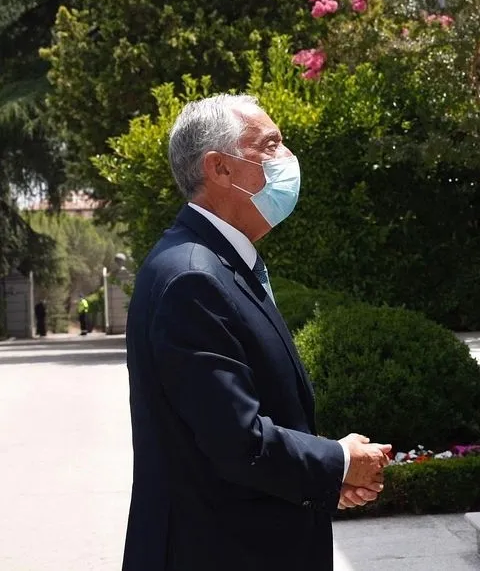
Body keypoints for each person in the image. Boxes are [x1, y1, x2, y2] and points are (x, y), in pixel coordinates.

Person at [122, 94, 391, 571]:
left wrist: (323, 481)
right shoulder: (192, 276)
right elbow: (237, 442)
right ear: (219, 168)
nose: (287, 160)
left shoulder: (218, 262)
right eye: (270, 145)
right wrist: (339, 461)